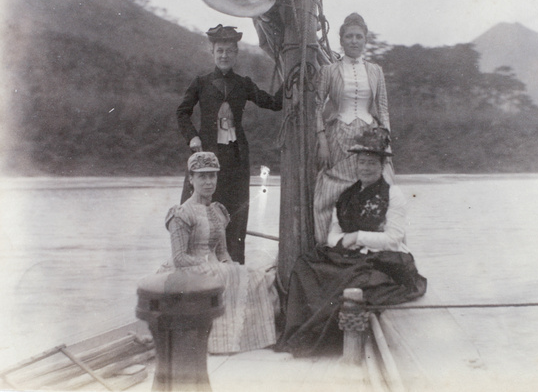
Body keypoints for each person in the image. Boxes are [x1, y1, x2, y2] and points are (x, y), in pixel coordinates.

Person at [276, 128, 426, 357]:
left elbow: (393, 239)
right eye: (362, 162)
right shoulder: (346, 195)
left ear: (382, 165)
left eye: (371, 163)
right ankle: (302, 334)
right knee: (305, 265)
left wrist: (357, 237)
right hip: (349, 254)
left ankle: (328, 341)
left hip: (383, 257)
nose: (365, 168)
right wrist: (344, 242)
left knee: (348, 278)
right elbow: (333, 235)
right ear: (356, 164)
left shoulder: (393, 195)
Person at [177, 24, 283, 264]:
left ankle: (234, 267)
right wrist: (192, 136)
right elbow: (182, 112)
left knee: (235, 214)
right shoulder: (201, 83)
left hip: (236, 161)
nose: (224, 55)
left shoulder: (243, 84)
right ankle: (193, 265)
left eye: (228, 51)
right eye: (219, 51)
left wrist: (290, 75)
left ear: (236, 53)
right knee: (198, 211)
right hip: (207, 160)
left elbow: (274, 103)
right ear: (212, 53)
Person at [160, 151, 277, 354]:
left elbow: (223, 252)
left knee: (259, 277)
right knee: (228, 276)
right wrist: (213, 266)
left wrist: (233, 269)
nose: (208, 182)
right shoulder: (181, 213)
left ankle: (246, 339)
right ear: (191, 179)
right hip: (188, 271)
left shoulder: (217, 211)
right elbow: (179, 258)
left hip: (214, 267)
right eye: (202, 176)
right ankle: (219, 343)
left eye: (212, 176)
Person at [313, 12, 393, 244]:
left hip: (371, 139)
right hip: (339, 137)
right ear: (342, 40)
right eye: (349, 36)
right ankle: (329, 247)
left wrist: (386, 139)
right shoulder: (329, 71)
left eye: (359, 36)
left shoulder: (376, 71)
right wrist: (322, 141)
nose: (354, 41)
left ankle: (376, 248)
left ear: (365, 40)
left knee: (378, 188)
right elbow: (317, 107)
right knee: (332, 194)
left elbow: (383, 108)